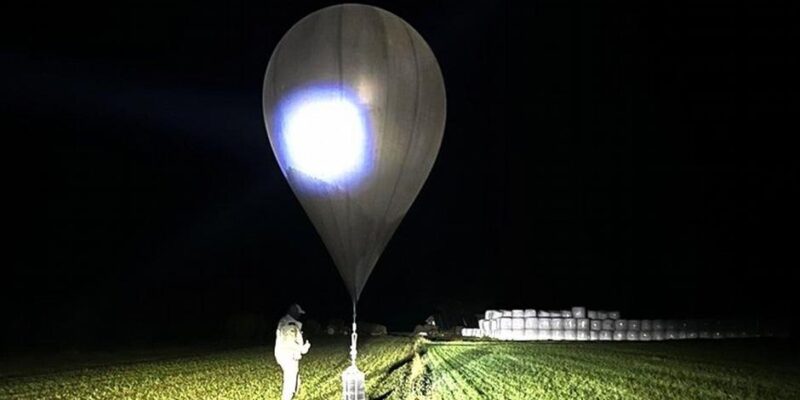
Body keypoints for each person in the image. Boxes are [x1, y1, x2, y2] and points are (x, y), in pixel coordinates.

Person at [274, 303, 311, 400]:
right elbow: (290, 343)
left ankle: (294, 393)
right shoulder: (290, 324)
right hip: (288, 356)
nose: (299, 315)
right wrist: (303, 348)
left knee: (293, 377)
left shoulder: (284, 321)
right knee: (290, 381)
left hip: (283, 354)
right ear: (293, 312)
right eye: (298, 313)